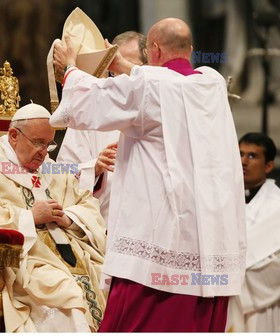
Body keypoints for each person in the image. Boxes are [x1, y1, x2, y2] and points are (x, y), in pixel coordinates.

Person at [51, 17, 246, 332]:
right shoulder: (210, 83)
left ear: (153, 49)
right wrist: (121, 63)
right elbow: (164, 83)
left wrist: (71, 69)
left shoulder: (147, 88)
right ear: (190, 50)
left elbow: (87, 102)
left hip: (159, 251)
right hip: (208, 250)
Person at [0, 102, 106, 332]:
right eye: (38, 143)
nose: (43, 153)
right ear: (13, 136)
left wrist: (68, 218)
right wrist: (29, 217)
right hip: (13, 263)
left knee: (108, 280)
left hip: (65, 256)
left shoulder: (50, 169)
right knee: (65, 291)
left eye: (49, 145)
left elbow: (87, 204)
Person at [56, 31, 146, 227]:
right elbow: (61, 172)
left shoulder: (157, 108)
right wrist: (94, 168)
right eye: (114, 69)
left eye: (128, 67)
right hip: (104, 226)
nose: (120, 77)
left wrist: (69, 67)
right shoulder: (92, 111)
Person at [227, 132, 280, 332]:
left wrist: (239, 277)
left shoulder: (277, 207)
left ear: (268, 166)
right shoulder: (220, 199)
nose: (243, 161)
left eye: (252, 156)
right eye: (240, 154)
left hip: (262, 303)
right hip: (221, 295)